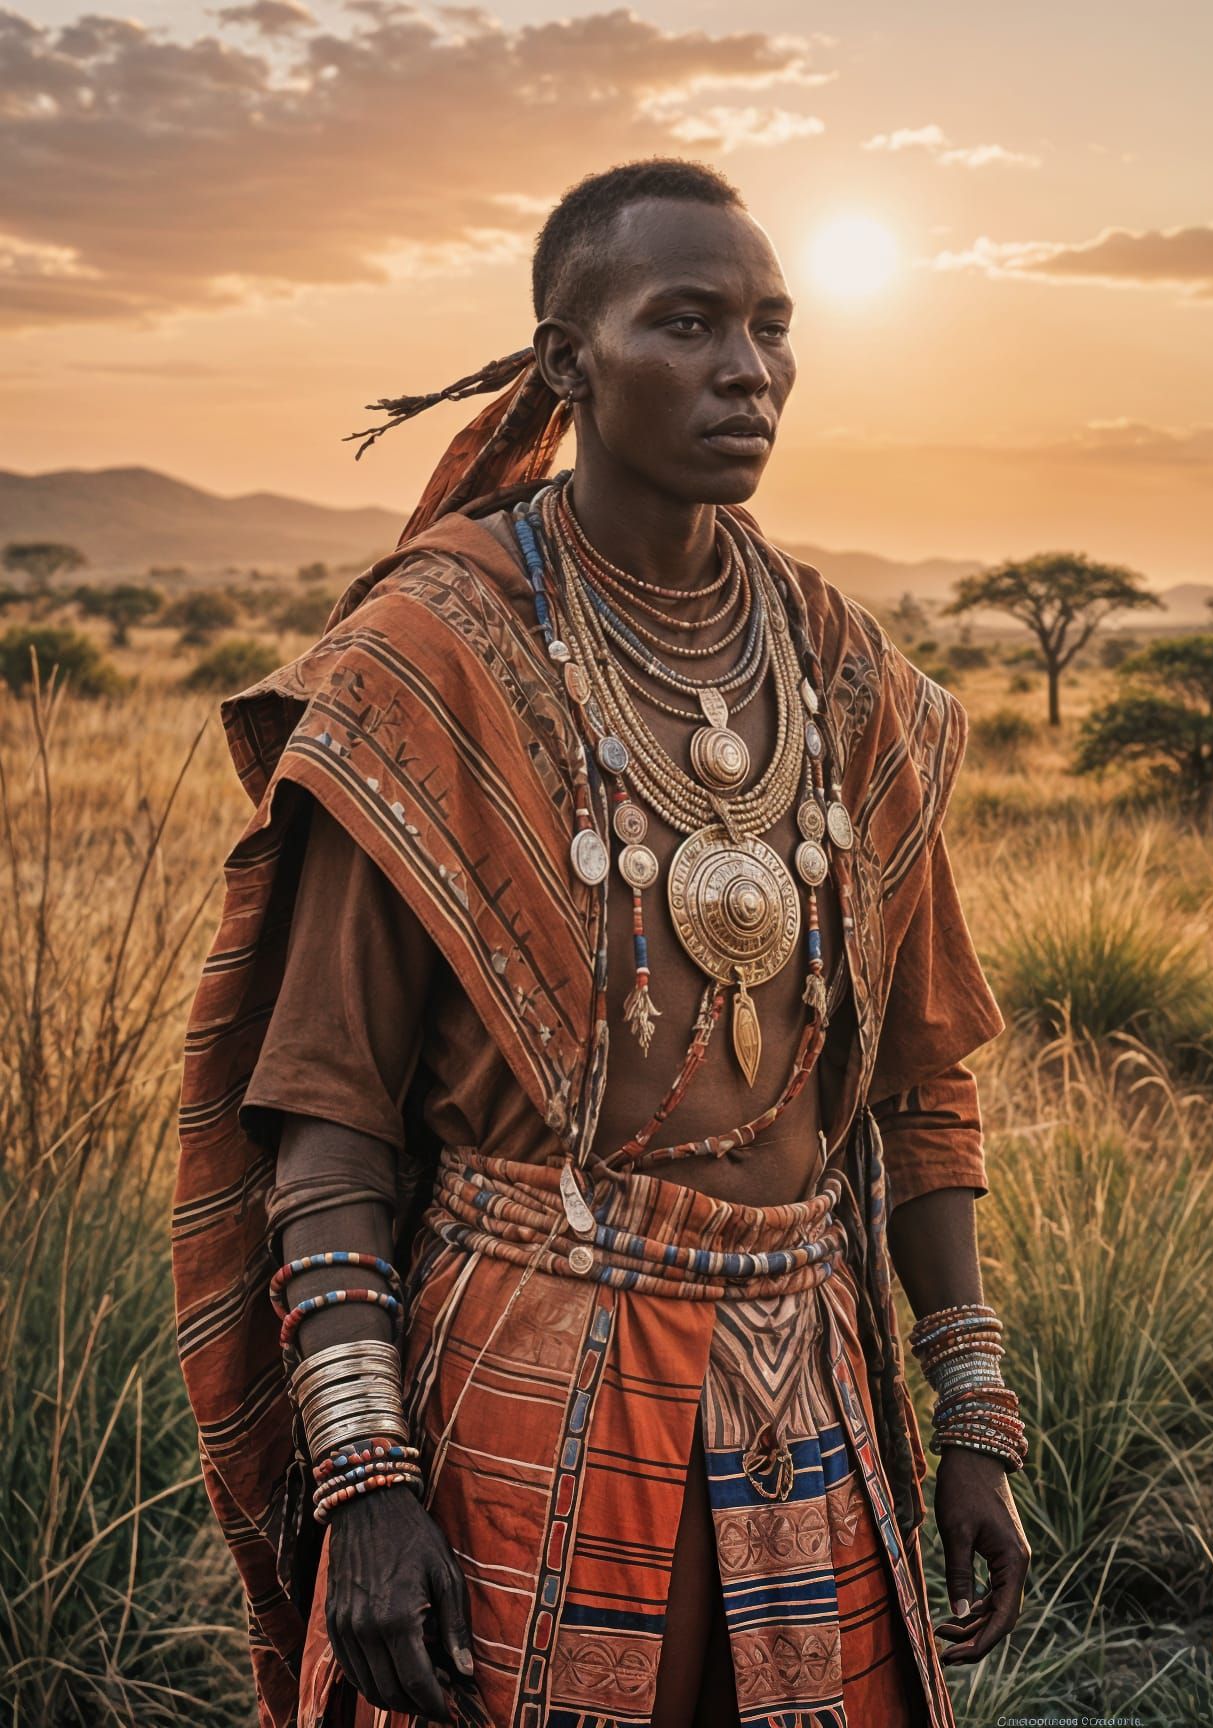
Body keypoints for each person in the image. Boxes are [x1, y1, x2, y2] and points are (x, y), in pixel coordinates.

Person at [172, 156, 1031, 1728]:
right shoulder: (429, 666)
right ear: (567, 361)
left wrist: (971, 1411)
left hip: (805, 1393)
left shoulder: (847, 671)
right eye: (687, 323)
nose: (748, 369)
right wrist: (368, 1484)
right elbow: (326, 1119)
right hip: (515, 1394)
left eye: (772, 326)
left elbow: (921, 1088)